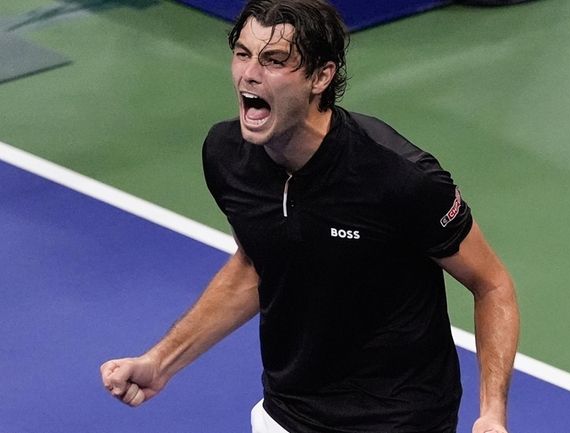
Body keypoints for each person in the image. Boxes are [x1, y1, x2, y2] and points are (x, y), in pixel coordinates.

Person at [100, 1, 520, 432]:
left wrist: (491, 414)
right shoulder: (227, 156)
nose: (249, 73)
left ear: (321, 76)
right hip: (288, 413)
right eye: (242, 54)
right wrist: (161, 362)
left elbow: (492, 284)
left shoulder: (398, 177)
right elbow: (256, 264)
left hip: (398, 420)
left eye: (274, 60)